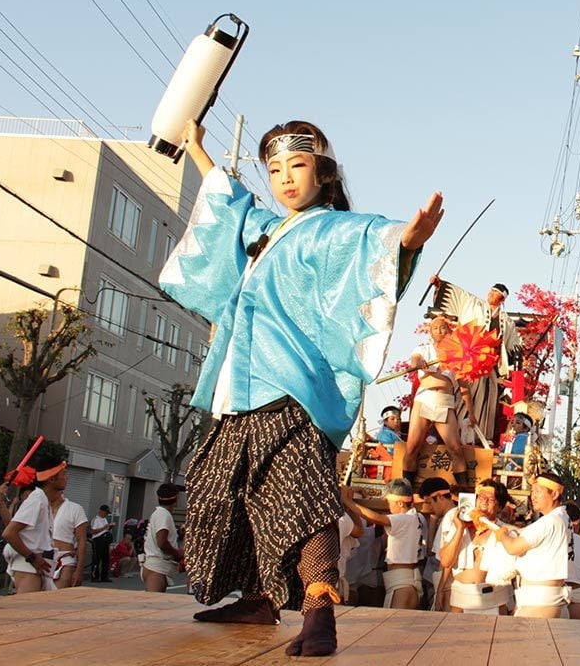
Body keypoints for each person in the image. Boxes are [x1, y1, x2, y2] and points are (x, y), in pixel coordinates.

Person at [158, 118, 444, 658]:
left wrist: (408, 239)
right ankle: (260, 597)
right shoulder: (267, 228)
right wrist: (195, 146)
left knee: (298, 496)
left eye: (298, 165)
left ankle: (318, 611)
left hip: (292, 389)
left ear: (324, 172)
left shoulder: (331, 229)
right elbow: (231, 201)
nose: (285, 178)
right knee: (228, 493)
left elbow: (374, 240)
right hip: (239, 389)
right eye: (275, 169)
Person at [430, 278, 522, 442]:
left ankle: (480, 437)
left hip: (489, 365)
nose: (492, 294)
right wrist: (439, 284)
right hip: (466, 360)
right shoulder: (473, 303)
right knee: (462, 395)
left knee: (487, 399)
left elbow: (514, 345)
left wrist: (518, 358)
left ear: (502, 299)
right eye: (491, 291)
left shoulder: (507, 322)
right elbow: (456, 294)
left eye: (497, 293)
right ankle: (451, 434)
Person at [404, 316, 474, 486]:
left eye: (443, 328)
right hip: (424, 398)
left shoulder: (457, 355)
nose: (440, 331)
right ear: (430, 332)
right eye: (436, 328)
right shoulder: (423, 349)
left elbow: (464, 387)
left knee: (455, 448)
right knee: (412, 446)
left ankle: (462, 490)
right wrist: (419, 363)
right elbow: (415, 360)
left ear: (449, 331)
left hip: (445, 401)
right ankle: (405, 487)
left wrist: (471, 413)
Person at [496, 473, 573, 618]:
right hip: (547, 596)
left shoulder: (549, 521)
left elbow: (513, 548)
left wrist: (502, 536)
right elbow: (524, 533)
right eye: (532, 491)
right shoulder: (563, 518)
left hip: (540, 600)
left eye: (538, 491)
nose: (533, 496)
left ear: (555, 494)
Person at [441, 480, 516, 615]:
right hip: (461, 599)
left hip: (495, 599)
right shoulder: (459, 527)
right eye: (481, 497)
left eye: (490, 499)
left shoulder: (505, 531)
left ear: (499, 506)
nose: (484, 501)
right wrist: (459, 529)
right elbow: (445, 561)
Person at [346, 479, 422, 609]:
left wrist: (349, 502)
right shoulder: (414, 518)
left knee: (394, 627)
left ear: (400, 503)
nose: (387, 505)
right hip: (404, 580)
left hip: (402, 583)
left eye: (389, 502)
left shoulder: (404, 518)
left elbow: (376, 518)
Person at [2, 456, 67, 593]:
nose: (66, 477)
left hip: (37, 566)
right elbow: (9, 533)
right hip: (28, 568)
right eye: (63, 474)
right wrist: (32, 557)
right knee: (25, 612)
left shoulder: (43, 500)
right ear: (51, 479)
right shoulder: (36, 499)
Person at [417, 476, 457, 610]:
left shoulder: (451, 518)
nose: (429, 508)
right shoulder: (451, 516)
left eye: (430, 503)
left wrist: (440, 591)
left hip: (447, 584)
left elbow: (445, 562)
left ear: (439, 496)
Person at [143, 484, 183, 593]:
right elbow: (161, 542)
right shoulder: (163, 515)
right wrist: (177, 553)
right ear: (176, 498)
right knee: (153, 604)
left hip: (156, 566)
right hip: (157, 568)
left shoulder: (159, 513)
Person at [51, 492, 88, 589]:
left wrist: (79, 571)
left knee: (57, 598)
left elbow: (82, 541)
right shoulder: (40, 507)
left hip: (65, 559)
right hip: (41, 559)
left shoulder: (75, 509)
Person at [90, 504, 114, 583]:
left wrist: (109, 527)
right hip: (98, 540)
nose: (106, 514)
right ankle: (95, 576)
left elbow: (106, 529)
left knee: (105, 559)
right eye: (105, 513)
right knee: (96, 558)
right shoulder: (96, 519)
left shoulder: (104, 520)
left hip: (105, 540)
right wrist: (104, 527)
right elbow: (93, 531)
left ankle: (104, 576)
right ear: (101, 511)